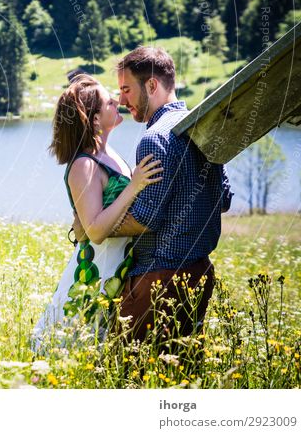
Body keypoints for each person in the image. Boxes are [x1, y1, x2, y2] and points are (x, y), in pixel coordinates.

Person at [74, 46, 232, 344]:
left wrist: (95, 226)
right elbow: (223, 199)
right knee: (182, 370)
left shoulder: (154, 138)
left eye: (126, 90)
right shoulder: (204, 126)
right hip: (200, 272)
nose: (121, 100)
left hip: (158, 279)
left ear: (151, 85)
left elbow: (146, 219)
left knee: (128, 372)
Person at [31, 74, 162, 352]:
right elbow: (95, 231)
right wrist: (135, 185)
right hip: (94, 274)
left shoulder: (109, 153)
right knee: (68, 349)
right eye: (109, 102)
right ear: (93, 120)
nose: (117, 101)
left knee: (99, 353)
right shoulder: (83, 165)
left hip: (117, 271)